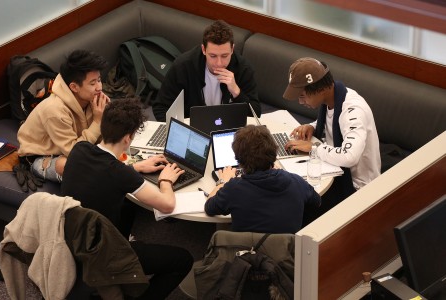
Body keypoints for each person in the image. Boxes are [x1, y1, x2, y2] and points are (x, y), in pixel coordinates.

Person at [61, 98, 193, 300]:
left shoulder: (80, 150)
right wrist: (166, 180)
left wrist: (136, 167)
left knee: (128, 207)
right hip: (101, 252)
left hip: (73, 238)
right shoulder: (119, 173)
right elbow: (167, 205)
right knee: (183, 260)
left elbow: (104, 172)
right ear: (127, 138)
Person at [283, 57, 381, 224]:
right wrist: (312, 126)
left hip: (356, 188)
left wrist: (313, 148)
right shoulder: (331, 99)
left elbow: (349, 156)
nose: (300, 102)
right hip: (336, 174)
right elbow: (334, 122)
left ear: (319, 89)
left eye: (302, 96)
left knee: (296, 206)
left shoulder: (352, 110)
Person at [15, 49, 110, 190]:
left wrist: (109, 114)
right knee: (68, 166)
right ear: (74, 87)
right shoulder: (54, 110)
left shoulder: (92, 97)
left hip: (77, 146)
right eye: (92, 83)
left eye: (99, 80)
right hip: (42, 156)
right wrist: (98, 122)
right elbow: (75, 153)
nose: (99, 87)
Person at [204, 125, 321, 234]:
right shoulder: (296, 181)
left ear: (238, 161)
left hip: (246, 253)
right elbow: (316, 202)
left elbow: (209, 207)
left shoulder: (233, 189)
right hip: (287, 252)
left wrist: (223, 181)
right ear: (274, 154)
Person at [151, 19, 260, 121]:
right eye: (213, 56)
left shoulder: (243, 69)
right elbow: (160, 107)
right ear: (203, 49)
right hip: (192, 129)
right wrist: (181, 128)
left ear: (232, 49)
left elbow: (256, 114)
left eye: (224, 56)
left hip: (228, 128)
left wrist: (236, 92)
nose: (219, 63)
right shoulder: (183, 66)